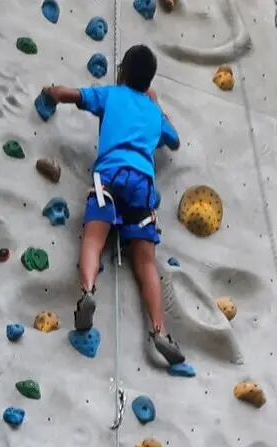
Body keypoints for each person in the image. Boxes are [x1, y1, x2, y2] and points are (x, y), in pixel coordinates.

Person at [40, 44, 187, 367]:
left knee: (95, 237)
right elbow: (174, 140)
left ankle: (88, 292)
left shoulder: (112, 95)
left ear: (122, 71)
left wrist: (50, 92)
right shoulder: (151, 111)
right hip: (142, 184)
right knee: (146, 262)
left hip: (110, 174)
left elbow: (71, 95)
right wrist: (157, 105)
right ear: (149, 81)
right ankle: (159, 332)